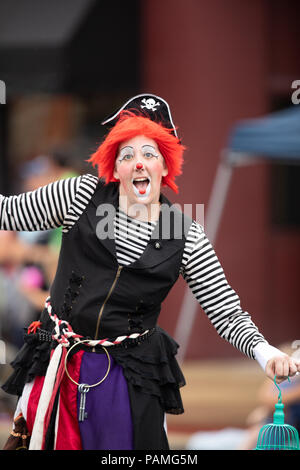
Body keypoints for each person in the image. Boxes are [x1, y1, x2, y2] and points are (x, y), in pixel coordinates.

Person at [1, 94, 299, 450]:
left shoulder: (186, 234)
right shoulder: (80, 193)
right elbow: (8, 213)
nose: (138, 163)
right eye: (127, 155)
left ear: (164, 166)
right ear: (115, 165)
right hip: (56, 362)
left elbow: (225, 311)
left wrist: (264, 352)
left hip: (128, 376)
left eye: (149, 154)